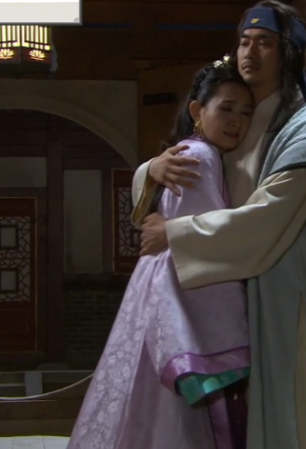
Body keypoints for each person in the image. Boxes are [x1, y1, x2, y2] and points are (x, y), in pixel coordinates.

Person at [129, 2, 306, 448]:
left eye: (265, 43)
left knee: (286, 407)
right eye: (245, 42)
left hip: (279, 280)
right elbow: (188, 164)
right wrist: (152, 169)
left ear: (288, 54)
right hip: (218, 286)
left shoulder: (304, 131)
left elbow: (268, 220)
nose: (250, 52)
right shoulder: (237, 115)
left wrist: (175, 234)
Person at [67, 63, 255, 449]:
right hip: (178, 299)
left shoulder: (195, 153)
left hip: (153, 291)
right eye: (226, 108)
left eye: (245, 112)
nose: (237, 121)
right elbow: (201, 255)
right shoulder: (200, 159)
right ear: (197, 110)